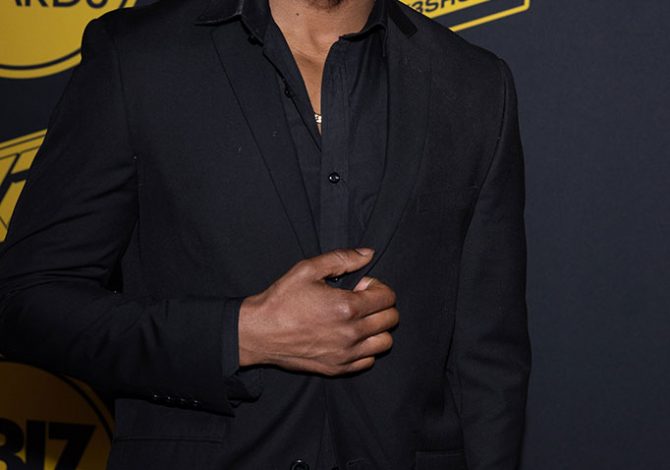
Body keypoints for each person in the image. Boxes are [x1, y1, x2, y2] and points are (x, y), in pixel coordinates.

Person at [0, 0, 531, 468]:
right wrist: (239, 336)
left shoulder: (473, 83)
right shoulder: (139, 56)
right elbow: (25, 301)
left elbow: (488, 363)